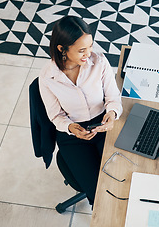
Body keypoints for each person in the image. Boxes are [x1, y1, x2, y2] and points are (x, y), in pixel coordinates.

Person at [38, 16, 123, 205]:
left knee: (121, 177)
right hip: (73, 135)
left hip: (102, 124)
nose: (89, 53)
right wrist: (70, 127)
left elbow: (113, 97)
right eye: (82, 50)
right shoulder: (47, 77)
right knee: (100, 194)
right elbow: (55, 115)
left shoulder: (99, 62)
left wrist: (112, 113)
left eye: (91, 46)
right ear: (62, 49)